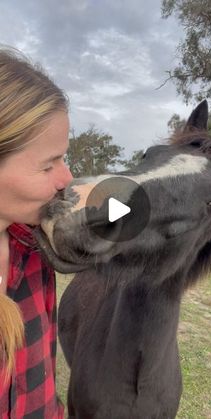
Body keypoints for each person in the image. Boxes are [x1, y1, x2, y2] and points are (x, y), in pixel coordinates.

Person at [0, 47, 73, 418]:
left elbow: (44, 365)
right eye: (48, 166)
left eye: (64, 158)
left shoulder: (32, 248)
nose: (67, 178)